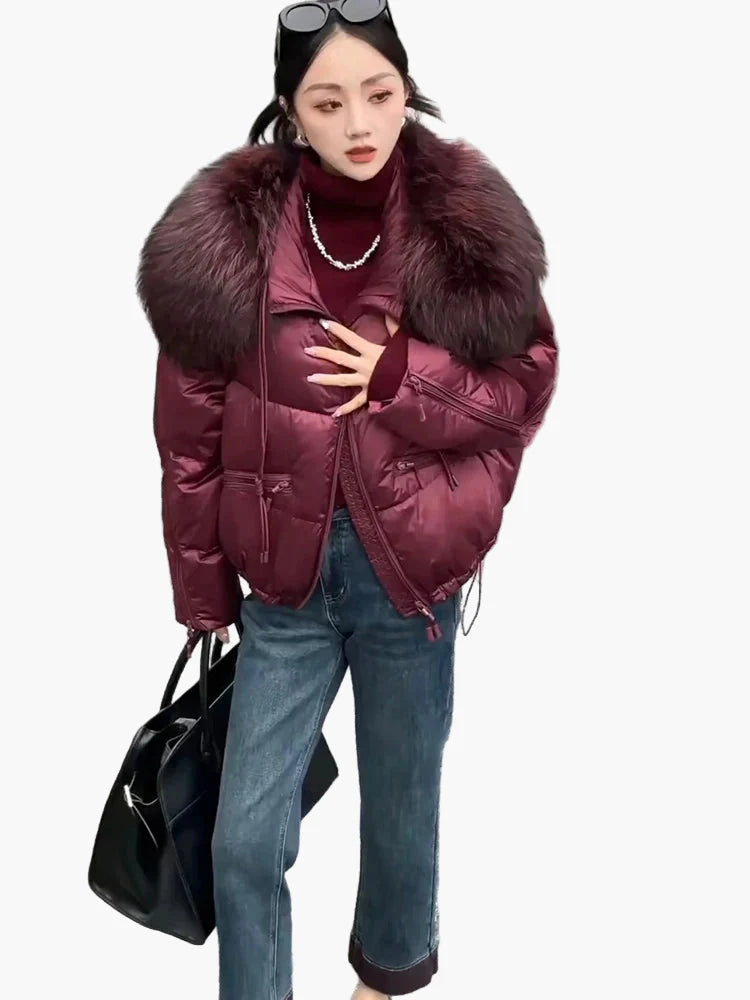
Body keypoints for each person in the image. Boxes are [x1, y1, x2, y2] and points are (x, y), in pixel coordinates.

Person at [136, 2, 558, 997]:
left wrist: (401, 377)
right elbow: (188, 436)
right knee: (243, 840)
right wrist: (202, 590)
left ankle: (386, 980)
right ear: (291, 111)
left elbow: (520, 388)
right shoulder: (228, 239)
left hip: (408, 579)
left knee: (402, 811)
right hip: (282, 587)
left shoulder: (462, 222)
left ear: (407, 90)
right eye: (329, 103)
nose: (360, 123)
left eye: (379, 93)